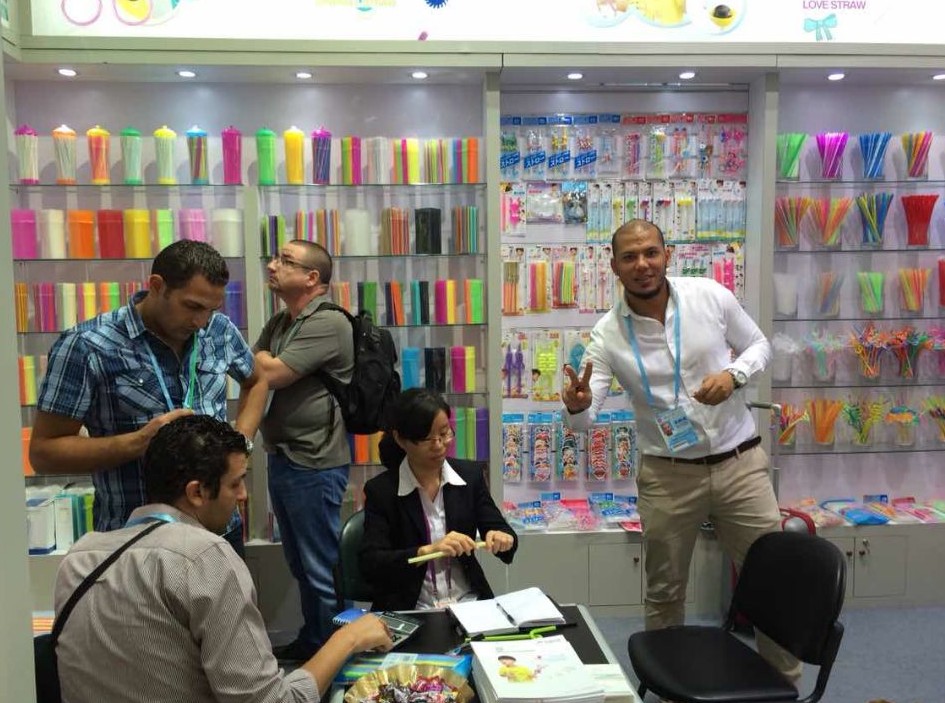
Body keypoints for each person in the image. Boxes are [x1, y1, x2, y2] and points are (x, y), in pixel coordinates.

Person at [560, 219, 801, 681]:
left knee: (770, 582)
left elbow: (759, 345)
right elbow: (583, 422)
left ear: (667, 254)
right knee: (665, 592)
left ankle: (784, 687)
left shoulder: (709, 295)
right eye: (630, 257)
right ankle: (669, 684)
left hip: (739, 463)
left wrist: (735, 376)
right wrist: (576, 406)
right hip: (668, 476)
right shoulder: (607, 335)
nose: (642, 264)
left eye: (650, 252)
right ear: (613, 266)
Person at [54, 415, 393, 703]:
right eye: (236, 483)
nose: (243, 495)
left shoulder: (80, 558)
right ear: (197, 492)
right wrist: (347, 639)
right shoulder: (204, 556)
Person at [31, 239, 268, 555]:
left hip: (218, 532)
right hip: (135, 540)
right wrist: (139, 442)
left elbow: (257, 380)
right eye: (192, 307)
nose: (200, 322)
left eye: (211, 310)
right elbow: (44, 452)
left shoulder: (219, 330)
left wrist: (242, 443)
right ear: (157, 286)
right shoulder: (88, 345)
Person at [252, 239, 353, 661]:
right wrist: (262, 361)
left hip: (315, 462)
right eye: (276, 258)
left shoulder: (328, 322)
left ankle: (335, 653)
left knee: (320, 567)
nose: (272, 265)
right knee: (301, 564)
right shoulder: (281, 321)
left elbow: (270, 372)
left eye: (285, 261)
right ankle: (315, 641)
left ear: (312, 278)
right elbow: (256, 363)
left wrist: (263, 361)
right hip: (285, 456)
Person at [360, 388, 517, 611]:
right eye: (427, 438)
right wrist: (427, 551)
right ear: (401, 439)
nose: (439, 445)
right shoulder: (382, 491)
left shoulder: (469, 477)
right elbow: (371, 564)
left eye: (444, 434)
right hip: (413, 609)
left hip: (469, 604)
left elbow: (503, 534)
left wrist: (501, 537)